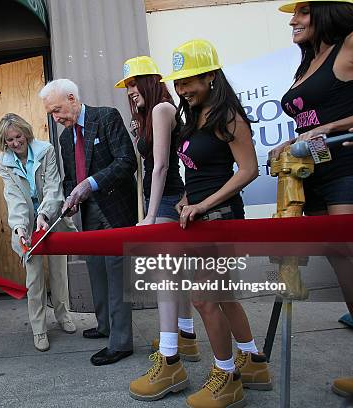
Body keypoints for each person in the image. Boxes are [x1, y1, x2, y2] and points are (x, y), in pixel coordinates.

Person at [269, 0, 353, 400]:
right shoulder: (311, 60)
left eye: (303, 12)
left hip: (352, 168)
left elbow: (333, 120)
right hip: (314, 175)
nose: (293, 21)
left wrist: (336, 125)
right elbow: (308, 125)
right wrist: (291, 141)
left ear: (329, 10)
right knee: (348, 280)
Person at [166, 39, 272, 408]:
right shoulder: (194, 116)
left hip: (220, 218)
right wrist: (186, 200)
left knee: (203, 299)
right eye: (178, 83)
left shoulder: (228, 116)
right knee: (223, 296)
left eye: (189, 81)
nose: (182, 90)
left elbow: (249, 170)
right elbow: (197, 171)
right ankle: (253, 361)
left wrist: (204, 204)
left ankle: (226, 376)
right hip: (200, 217)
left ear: (211, 76)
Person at [114, 56, 198, 401]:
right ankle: (186, 337)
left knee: (165, 275)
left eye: (135, 84)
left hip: (166, 199)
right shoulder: (150, 114)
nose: (131, 91)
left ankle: (170, 357)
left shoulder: (163, 109)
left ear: (150, 81)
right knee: (174, 274)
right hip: (160, 199)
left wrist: (150, 215)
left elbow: (161, 166)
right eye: (127, 87)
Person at [39, 78, 138, 366]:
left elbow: (125, 162)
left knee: (117, 275)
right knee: (96, 271)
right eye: (51, 114)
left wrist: (90, 184)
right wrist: (71, 199)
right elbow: (71, 178)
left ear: (72, 98)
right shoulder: (63, 138)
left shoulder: (106, 117)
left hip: (115, 210)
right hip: (88, 213)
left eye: (57, 110)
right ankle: (105, 324)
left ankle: (120, 343)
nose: (56, 118)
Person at [0, 113, 76, 352]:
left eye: (18, 136)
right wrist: (20, 227)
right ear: (4, 141)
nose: (15, 142)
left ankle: (63, 315)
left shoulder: (45, 150)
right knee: (34, 278)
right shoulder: (2, 163)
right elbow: (14, 198)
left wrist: (45, 214)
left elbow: (52, 186)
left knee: (59, 272)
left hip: (50, 218)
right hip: (27, 225)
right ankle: (39, 329)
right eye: (9, 140)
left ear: (26, 133)